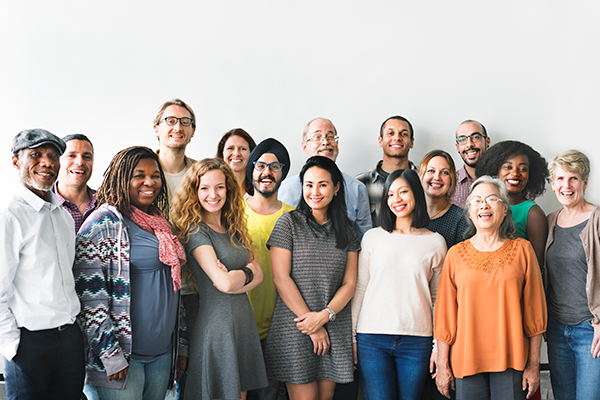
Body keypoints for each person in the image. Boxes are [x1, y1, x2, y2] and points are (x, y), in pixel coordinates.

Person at [74, 146, 188, 400]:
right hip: (122, 361)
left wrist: (180, 344)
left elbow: (173, 286)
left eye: (155, 175)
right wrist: (110, 355)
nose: (150, 182)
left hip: (161, 355)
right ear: (121, 177)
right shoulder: (102, 224)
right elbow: (89, 301)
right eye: (139, 175)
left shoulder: (160, 223)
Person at [434, 176, 547, 400]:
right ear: (469, 212)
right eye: (476, 200)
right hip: (466, 361)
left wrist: (534, 365)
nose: (483, 205)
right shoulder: (455, 254)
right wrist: (442, 365)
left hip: (512, 360)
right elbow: (446, 316)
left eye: (491, 199)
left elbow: (535, 314)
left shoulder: (523, 250)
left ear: (505, 209)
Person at [170, 158, 267, 400]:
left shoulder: (234, 225)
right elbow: (223, 284)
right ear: (194, 191)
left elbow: (261, 275)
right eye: (204, 188)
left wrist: (238, 276)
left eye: (219, 187)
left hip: (243, 322)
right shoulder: (195, 230)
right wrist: (246, 272)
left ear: (229, 189)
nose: (213, 194)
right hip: (217, 326)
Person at [264, 156, 360, 400]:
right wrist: (312, 325)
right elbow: (280, 278)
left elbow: (349, 284)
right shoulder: (289, 223)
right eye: (308, 184)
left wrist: (324, 316)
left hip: (333, 325)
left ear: (336, 187)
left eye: (322, 184)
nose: (314, 191)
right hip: (296, 327)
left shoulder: (347, 230)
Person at [0, 129, 84, 400]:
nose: (47, 163)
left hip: (69, 340)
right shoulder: (9, 217)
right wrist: (14, 347)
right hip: (30, 344)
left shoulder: (63, 216)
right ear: (16, 161)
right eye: (36, 155)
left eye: (52, 156)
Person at [352, 169, 446, 400]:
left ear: (416, 194)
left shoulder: (435, 242)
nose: (397, 200)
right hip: (371, 339)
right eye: (391, 195)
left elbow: (439, 299)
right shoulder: (372, 238)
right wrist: (352, 338)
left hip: (417, 340)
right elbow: (360, 288)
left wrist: (437, 346)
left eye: (403, 192)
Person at [544, 150, 600, 399]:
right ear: (553, 184)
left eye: (573, 178)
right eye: (560, 179)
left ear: (584, 182)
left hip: (590, 330)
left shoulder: (597, 219)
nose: (566, 185)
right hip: (557, 329)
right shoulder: (550, 221)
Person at [153, 98, 198, 397]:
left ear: (193, 131)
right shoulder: (141, 169)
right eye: (170, 120)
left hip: (194, 288)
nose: (177, 127)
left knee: (189, 368)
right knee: (155, 374)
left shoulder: (201, 172)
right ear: (156, 129)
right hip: (151, 288)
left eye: (184, 122)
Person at [244, 139, 295, 400]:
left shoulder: (295, 217)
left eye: (274, 166)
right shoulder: (233, 212)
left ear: (283, 173)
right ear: (251, 170)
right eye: (261, 165)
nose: (267, 172)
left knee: (269, 395)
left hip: (279, 329)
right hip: (241, 325)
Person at [279, 118, 371, 244]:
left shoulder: (357, 189)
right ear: (305, 146)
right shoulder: (286, 188)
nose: (325, 142)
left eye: (330, 136)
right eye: (317, 137)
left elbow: (364, 240)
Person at [476, 140, 548, 269]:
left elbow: (536, 266)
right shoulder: (482, 208)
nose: (515, 173)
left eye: (523, 169)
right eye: (508, 167)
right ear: (495, 170)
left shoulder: (533, 213)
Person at [356, 115, 417, 227]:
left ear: (412, 142)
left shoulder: (424, 180)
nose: (397, 138)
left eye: (404, 134)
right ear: (380, 140)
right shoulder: (360, 184)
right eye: (390, 133)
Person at [418, 150, 467, 251]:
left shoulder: (461, 219)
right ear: (421, 176)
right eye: (431, 171)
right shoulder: (408, 213)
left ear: (452, 180)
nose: (437, 177)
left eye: (445, 172)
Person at [53, 133, 97, 233]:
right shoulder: (42, 205)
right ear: (57, 160)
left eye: (86, 157)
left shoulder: (107, 204)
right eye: (71, 156)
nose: (80, 162)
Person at [450, 120, 490, 207]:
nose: (469, 144)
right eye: (462, 139)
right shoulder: (449, 184)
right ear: (457, 147)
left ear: (487, 141)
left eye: (475, 137)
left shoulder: (503, 180)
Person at [216, 128, 257, 197]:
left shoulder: (259, 190)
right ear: (222, 153)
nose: (236, 153)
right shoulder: (213, 191)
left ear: (251, 154)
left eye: (243, 149)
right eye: (230, 148)